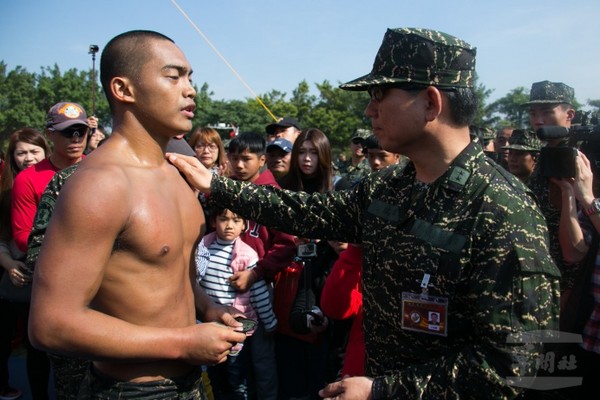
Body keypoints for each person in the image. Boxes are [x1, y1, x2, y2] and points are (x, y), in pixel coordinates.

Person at [167, 27, 561, 399]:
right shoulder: (390, 184)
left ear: (430, 102)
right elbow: (311, 211)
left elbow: (516, 363)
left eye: (380, 94)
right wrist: (218, 186)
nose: (369, 110)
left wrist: (383, 391)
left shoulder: (503, 210)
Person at [28, 30, 246, 398]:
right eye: (173, 76)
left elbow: (170, 276)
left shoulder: (178, 175)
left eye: (190, 77)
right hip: (131, 390)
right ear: (123, 89)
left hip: (189, 383)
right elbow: (50, 325)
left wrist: (209, 308)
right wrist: (180, 342)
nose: (190, 89)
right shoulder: (100, 184)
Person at [10, 102, 91, 400]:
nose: (75, 138)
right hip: (50, 285)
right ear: (49, 135)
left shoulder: (100, 169)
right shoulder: (29, 179)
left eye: (81, 131)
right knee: (43, 352)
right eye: (68, 132)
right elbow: (22, 237)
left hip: (100, 287)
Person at [276, 128, 350, 398]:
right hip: (292, 276)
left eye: (313, 153)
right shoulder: (285, 189)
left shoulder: (337, 189)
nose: (307, 159)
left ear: (324, 156)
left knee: (324, 360)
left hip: (328, 276)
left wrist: (332, 240)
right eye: (302, 152)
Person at [225, 131, 296, 399]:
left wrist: (256, 273)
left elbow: (286, 244)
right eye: (234, 158)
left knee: (261, 358)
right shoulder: (227, 188)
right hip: (224, 289)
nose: (240, 165)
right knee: (231, 359)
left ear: (262, 159)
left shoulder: (272, 194)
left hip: (258, 290)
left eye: (246, 159)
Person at [198, 206, 278, 399]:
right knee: (213, 376)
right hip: (208, 325)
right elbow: (195, 280)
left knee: (236, 377)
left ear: (244, 225)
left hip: (234, 329)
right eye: (224, 219)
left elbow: (258, 292)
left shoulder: (246, 255)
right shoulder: (203, 247)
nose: (229, 226)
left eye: (236, 221)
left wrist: (269, 321)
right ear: (213, 222)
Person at [0, 128, 50, 400]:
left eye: (34, 151)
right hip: (18, 272)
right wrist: (8, 263)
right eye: (22, 153)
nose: (28, 158)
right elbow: (7, 237)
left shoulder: (57, 182)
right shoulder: (6, 190)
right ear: (12, 156)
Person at [522, 80, 579, 313]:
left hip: (568, 272)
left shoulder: (577, 155)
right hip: (542, 266)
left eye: (546, 112)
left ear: (570, 114)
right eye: (533, 113)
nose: (538, 120)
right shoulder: (548, 152)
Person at [548, 150, 600, 398]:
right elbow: (574, 252)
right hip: (590, 336)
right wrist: (570, 193)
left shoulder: (594, 204)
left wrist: (589, 199)